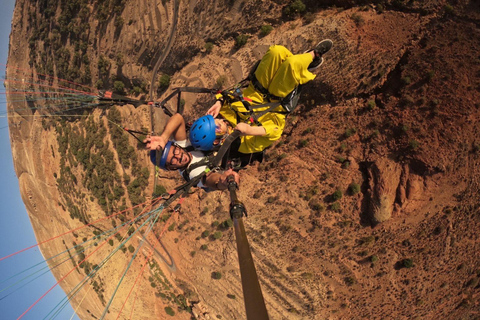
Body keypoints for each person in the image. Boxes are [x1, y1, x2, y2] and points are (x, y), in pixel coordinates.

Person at [197, 40, 333, 164]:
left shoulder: (222, 116)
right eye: (217, 126)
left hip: (256, 89)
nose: (221, 121)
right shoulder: (241, 144)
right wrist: (250, 130)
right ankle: (313, 55)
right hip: (274, 101)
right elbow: (275, 131)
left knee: (276, 51)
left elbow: (230, 94)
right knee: (292, 65)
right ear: (216, 140)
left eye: (215, 120)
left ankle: (300, 65)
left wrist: (219, 101)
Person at [144, 113, 240, 191]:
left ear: (176, 145)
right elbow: (208, 179)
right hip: (231, 156)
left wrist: (164, 138)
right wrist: (222, 181)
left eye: (175, 151)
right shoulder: (192, 173)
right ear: (171, 168)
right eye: (173, 161)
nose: (178, 157)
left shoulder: (183, 147)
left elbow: (178, 118)